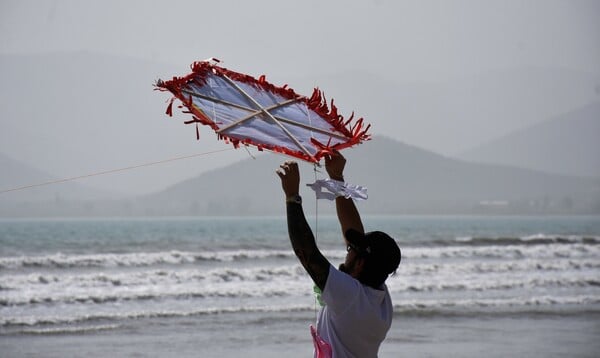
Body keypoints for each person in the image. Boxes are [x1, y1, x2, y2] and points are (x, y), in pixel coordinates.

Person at [276, 151, 401, 358]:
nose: (347, 249)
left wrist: (292, 197)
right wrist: (337, 179)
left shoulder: (349, 296)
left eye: (351, 249)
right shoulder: (379, 298)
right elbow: (354, 232)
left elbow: (306, 252)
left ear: (360, 264)